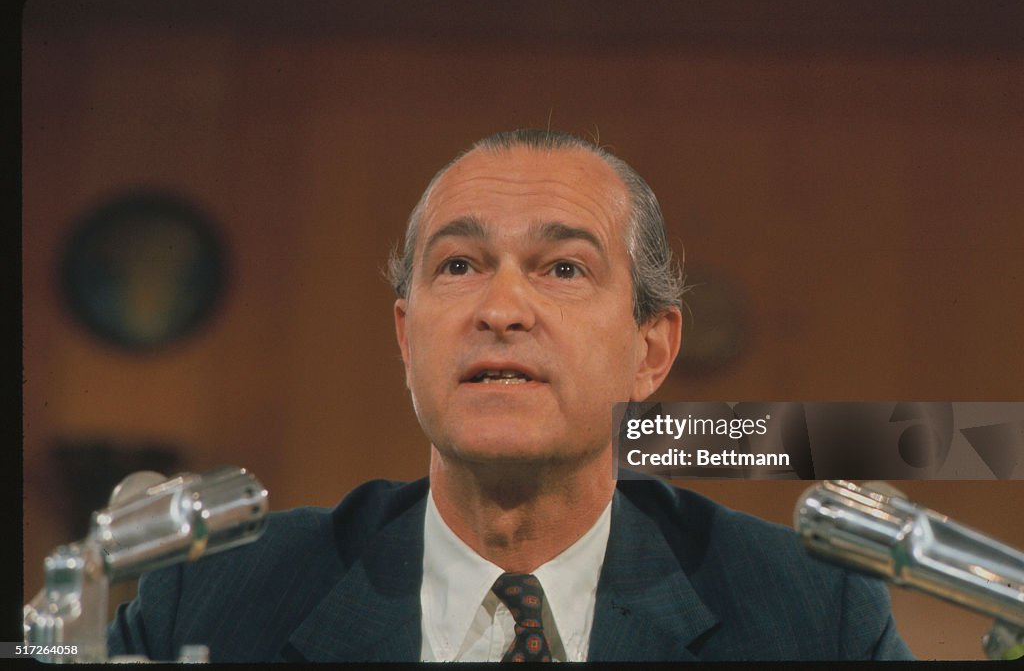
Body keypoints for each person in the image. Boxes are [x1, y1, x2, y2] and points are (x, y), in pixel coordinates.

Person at [107, 129, 913, 661]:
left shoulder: (812, 611)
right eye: (459, 265)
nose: (500, 309)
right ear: (406, 337)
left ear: (652, 350)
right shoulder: (213, 596)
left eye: (563, 268)